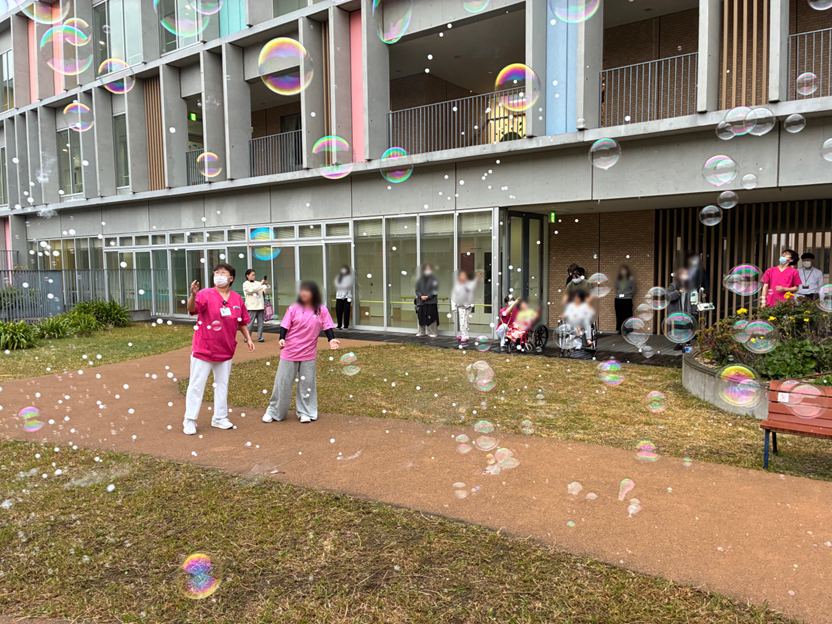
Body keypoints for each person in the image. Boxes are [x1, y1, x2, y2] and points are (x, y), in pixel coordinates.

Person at [183, 263, 254, 436]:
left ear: (231, 279)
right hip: (204, 348)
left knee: (222, 384)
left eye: (223, 273)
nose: (218, 275)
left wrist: (248, 338)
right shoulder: (204, 294)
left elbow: (242, 322)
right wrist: (192, 295)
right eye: (216, 273)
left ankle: (219, 417)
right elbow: (192, 309)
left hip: (225, 349)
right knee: (197, 385)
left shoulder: (237, 299)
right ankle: (189, 419)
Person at [262, 281, 340, 424]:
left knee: (307, 384)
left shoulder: (321, 309)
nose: (303, 293)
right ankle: (275, 411)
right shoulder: (293, 308)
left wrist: (331, 340)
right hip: (290, 351)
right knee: (283, 383)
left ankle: (306, 412)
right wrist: (281, 339)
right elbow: (284, 325)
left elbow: (328, 326)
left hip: (308, 353)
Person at [667, 267, 693, 350]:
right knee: (678, 328)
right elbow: (668, 297)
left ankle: (688, 344)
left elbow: (695, 299)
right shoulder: (673, 285)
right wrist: (678, 291)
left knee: (688, 327)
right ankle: (679, 344)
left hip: (687, 311)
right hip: (677, 311)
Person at [451, 270, 481, 342]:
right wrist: (454, 307)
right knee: (462, 321)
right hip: (461, 305)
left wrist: (477, 278)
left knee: (466, 320)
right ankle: (464, 334)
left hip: (468, 305)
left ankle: (465, 334)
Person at [243, 269, 270, 342]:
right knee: (250, 323)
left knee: (261, 323)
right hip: (252, 306)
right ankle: (247, 337)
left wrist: (266, 285)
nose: (253, 276)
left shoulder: (258, 283)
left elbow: (266, 292)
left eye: (254, 275)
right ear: (247, 276)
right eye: (252, 275)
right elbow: (251, 290)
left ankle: (260, 337)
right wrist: (261, 284)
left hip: (260, 306)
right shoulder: (246, 284)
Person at [415, 264, 440, 337]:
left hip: (431, 302)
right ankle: (421, 332)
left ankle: (432, 332)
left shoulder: (434, 280)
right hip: (421, 302)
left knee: (431, 316)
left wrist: (428, 297)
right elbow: (417, 290)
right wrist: (421, 296)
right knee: (421, 316)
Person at [614, 265, 635, 332]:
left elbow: (633, 289)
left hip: (627, 298)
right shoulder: (618, 279)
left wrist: (629, 294)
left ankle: (628, 329)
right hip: (618, 298)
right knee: (619, 314)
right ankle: (620, 329)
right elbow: (616, 287)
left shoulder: (631, 279)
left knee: (627, 314)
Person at [334, 265, 353, 329]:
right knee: (339, 311)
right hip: (339, 297)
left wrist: (343, 296)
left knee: (346, 311)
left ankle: (346, 325)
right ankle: (339, 324)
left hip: (346, 297)